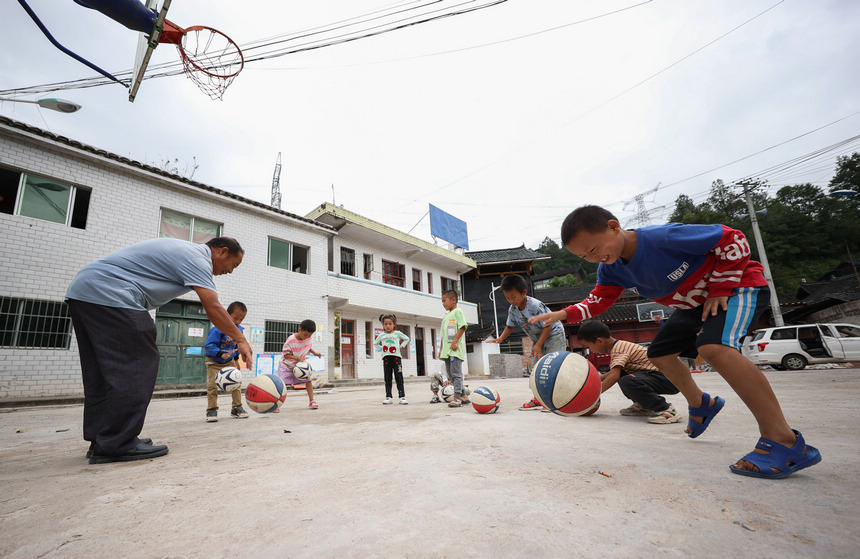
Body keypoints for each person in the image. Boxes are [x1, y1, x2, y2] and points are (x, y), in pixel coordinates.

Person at [530, 205, 821, 479]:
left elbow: (733, 239)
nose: (592, 258)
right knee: (659, 352)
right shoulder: (611, 269)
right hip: (696, 304)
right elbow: (598, 301)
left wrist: (721, 286)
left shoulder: (663, 238)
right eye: (584, 257)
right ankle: (701, 403)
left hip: (738, 287)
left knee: (713, 348)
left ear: (613, 227)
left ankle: (783, 439)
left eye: (593, 249)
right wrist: (563, 313)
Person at [66, 236, 252, 464]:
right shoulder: (198, 259)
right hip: (114, 295)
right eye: (233, 265)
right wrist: (241, 339)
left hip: (84, 292)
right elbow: (213, 307)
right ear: (222, 252)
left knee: (101, 372)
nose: (230, 271)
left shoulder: (185, 252)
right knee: (137, 365)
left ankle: (103, 439)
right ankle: (117, 443)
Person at [485, 274, 567, 411]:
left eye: (514, 296)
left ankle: (556, 399)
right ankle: (539, 398)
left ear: (524, 292)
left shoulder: (535, 306)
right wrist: (501, 338)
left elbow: (548, 326)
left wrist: (539, 346)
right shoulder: (513, 310)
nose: (511, 300)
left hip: (554, 334)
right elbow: (510, 326)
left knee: (553, 365)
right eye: (507, 298)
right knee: (536, 368)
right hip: (538, 339)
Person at [577, 320, 681, 424]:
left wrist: (592, 397)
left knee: (627, 380)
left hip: (669, 379)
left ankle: (665, 409)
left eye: (589, 346)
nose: (591, 350)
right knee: (623, 374)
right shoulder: (619, 346)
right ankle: (643, 405)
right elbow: (612, 373)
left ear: (600, 341)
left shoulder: (619, 349)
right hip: (660, 377)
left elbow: (614, 377)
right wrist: (592, 381)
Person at [204, 301, 249, 422]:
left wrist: (236, 360)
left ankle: (236, 408)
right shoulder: (218, 329)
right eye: (235, 318)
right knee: (213, 386)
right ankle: (211, 409)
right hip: (214, 362)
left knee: (236, 383)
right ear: (227, 315)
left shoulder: (239, 330)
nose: (238, 322)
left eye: (241, 319)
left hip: (229, 362)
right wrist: (221, 354)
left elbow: (237, 346)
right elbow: (209, 346)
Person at [277, 319, 323, 410]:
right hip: (286, 366)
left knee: (308, 380)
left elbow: (308, 346)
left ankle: (312, 401)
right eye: (305, 335)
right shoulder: (291, 340)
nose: (306, 337)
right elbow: (286, 355)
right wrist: (298, 358)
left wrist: (315, 353)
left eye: (309, 335)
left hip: (299, 366)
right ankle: (276, 404)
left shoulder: (308, 338)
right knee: (281, 385)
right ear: (299, 330)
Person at [439, 290, 469, 408]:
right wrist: (441, 349)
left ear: (453, 300)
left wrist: (455, 342)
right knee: (451, 375)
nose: (443, 303)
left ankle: (456, 398)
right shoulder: (446, 317)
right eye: (442, 301)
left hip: (455, 350)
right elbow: (443, 335)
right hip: (447, 351)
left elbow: (462, 327)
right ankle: (463, 396)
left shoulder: (458, 312)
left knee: (456, 374)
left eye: (444, 301)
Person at [373, 314, 411, 405]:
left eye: (390, 324)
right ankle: (388, 397)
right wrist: (382, 348)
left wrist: (402, 346)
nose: (388, 326)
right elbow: (375, 343)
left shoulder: (397, 333)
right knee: (387, 378)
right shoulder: (382, 335)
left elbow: (407, 339)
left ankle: (402, 396)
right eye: (385, 324)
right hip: (386, 359)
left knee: (399, 377)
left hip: (397, 358)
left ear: (394, 324)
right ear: (383, 325)